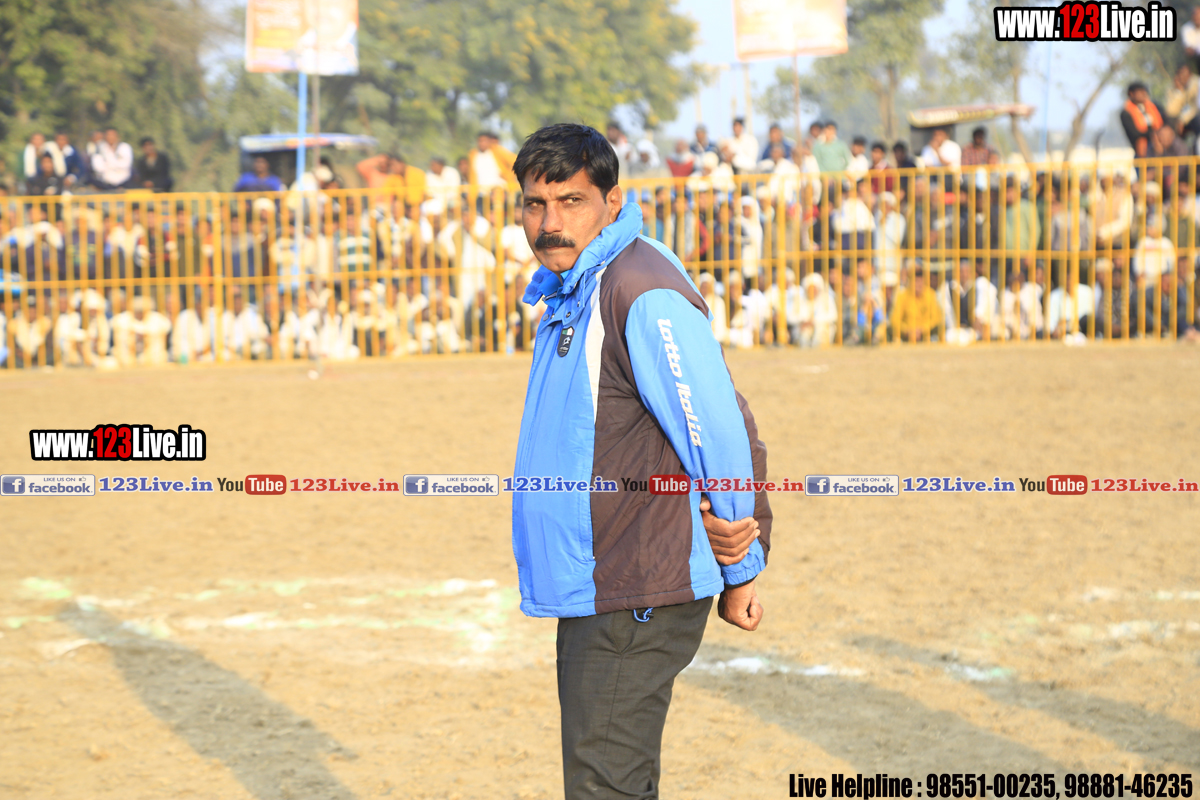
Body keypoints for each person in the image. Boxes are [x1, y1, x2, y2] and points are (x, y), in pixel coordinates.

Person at [510, 123, 771, 800]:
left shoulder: (638, 288)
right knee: (612, 779)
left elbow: (720, 424)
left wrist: (742, 561)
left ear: (612, 200)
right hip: (607, 580)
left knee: (605, 786)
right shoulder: (576, 285)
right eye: (536, 204)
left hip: (634, 587)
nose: (551, 222)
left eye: (571, 201)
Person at [1121, 82, 1165, 158]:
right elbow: (1134, 133)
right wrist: (1153, 134)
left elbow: (1163, 122)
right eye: (1140, 92)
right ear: (1131, 94)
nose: (1143, 94)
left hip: (1160, 144)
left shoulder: (1153, 107)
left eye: (1144, 92)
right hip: (1142, 149)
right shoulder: (1126, 113)